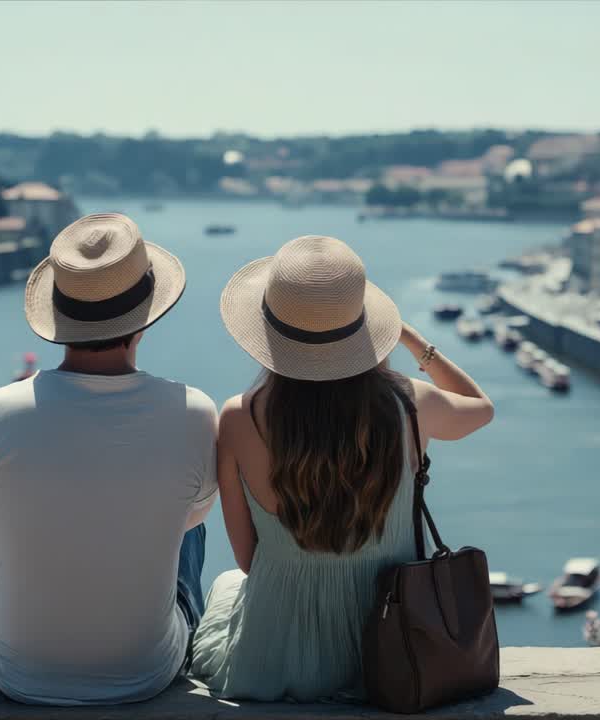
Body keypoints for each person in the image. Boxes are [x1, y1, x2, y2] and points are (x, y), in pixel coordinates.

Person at [190, 235, 494, 702]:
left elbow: (249, 562)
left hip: (273, 657)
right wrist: (413, 341)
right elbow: (481, 408)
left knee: (226, 586)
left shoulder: (237, 417)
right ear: (364, 331)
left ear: (270, 334)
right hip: (393, 648)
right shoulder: (411, 404)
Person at [0, 213, 218, 705]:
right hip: (149, 670)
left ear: (58, 318)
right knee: (188, 524)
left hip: (14, 675)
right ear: (145, 320)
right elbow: (183, 526)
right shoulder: (196, 412)